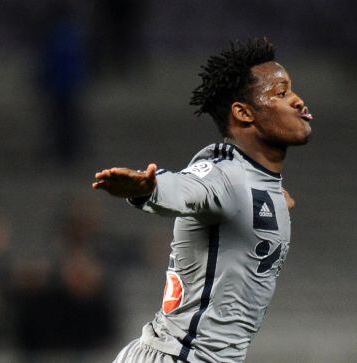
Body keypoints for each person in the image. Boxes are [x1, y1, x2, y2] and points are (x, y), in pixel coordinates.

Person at [92, 38, 313, 363]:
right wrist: (146, 189)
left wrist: (275, 202)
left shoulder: (259, 184)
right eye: (280, 93)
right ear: (243, 113)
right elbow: (186, 188)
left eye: (292, 90)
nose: (296, 100)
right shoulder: (225, 173)